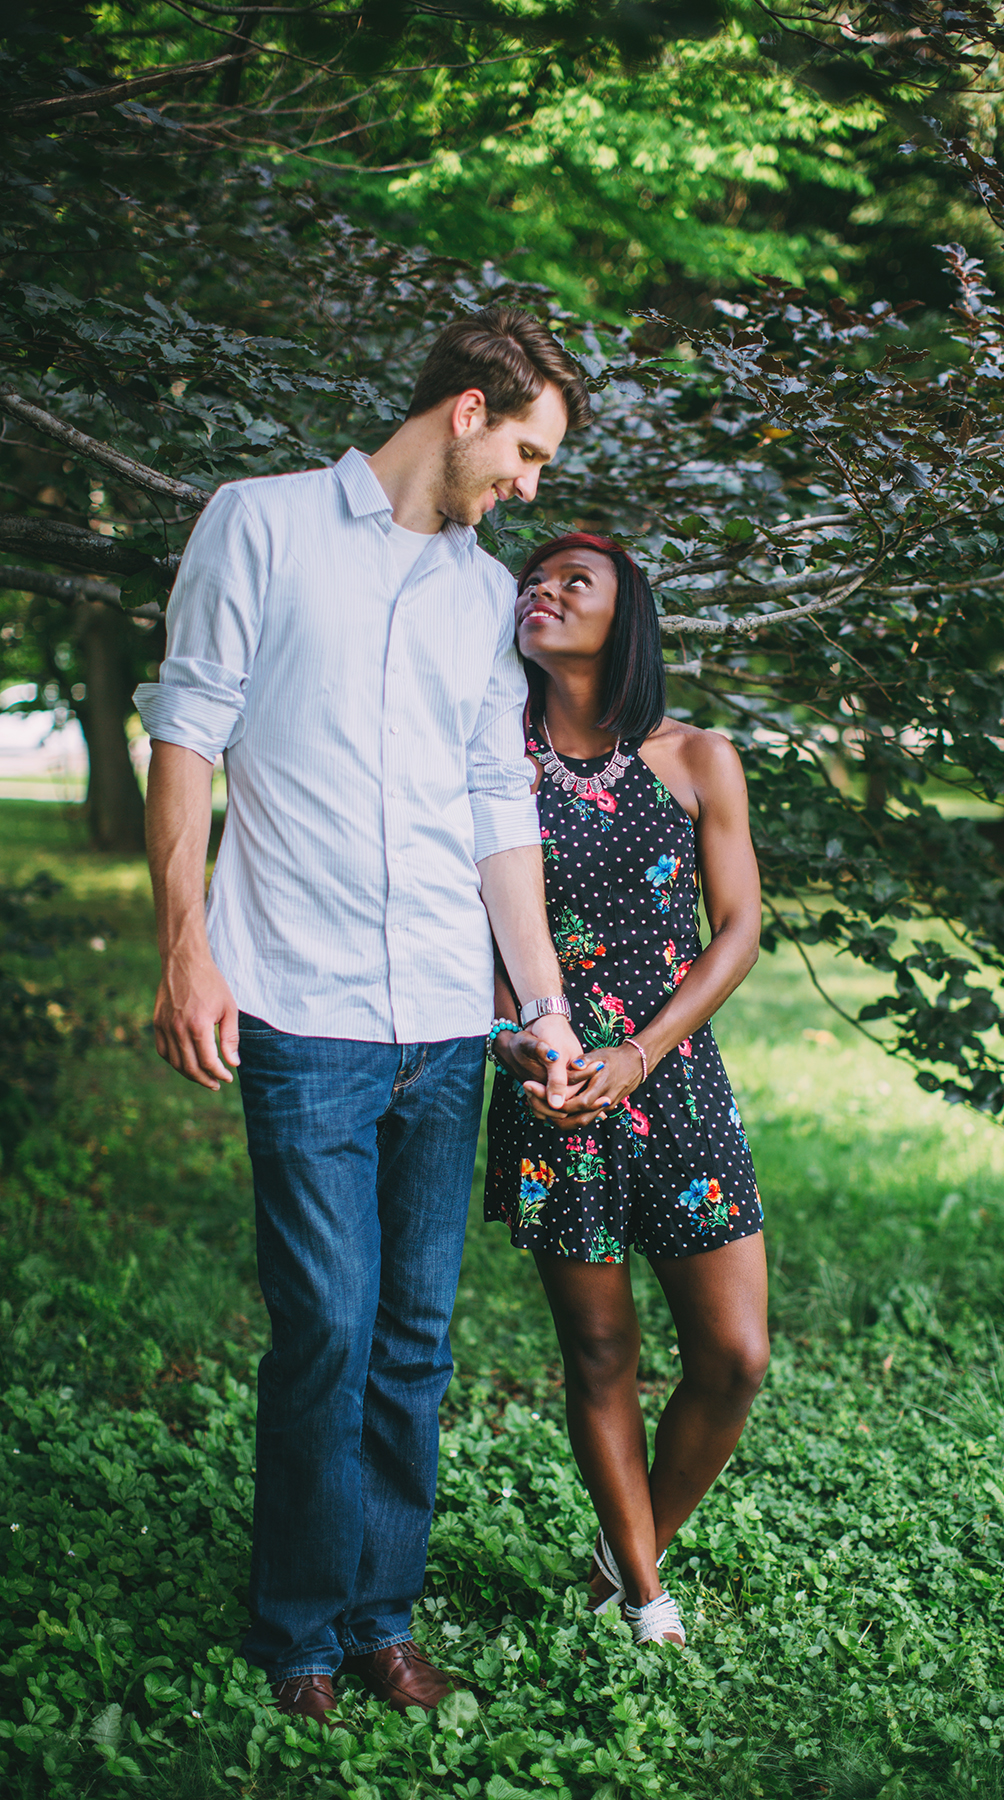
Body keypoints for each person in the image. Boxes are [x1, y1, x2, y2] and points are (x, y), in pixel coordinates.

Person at [133, 309, 598, 1727]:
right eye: (525, 452)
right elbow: (189, 731)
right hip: (302, 1006)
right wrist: (186, 953)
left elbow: (492, 804)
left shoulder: (476, 600)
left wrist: (543, 1000)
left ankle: (381, 1616)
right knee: (325, 1327)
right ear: (467, 410)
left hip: (446, 1025)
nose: (530, 485)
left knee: (413, 1336)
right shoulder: (260, 525)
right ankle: (297, 1634)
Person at [484, 533, 769, 1648]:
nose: (542, 594)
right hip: (553, 1089)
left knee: (735, 1356)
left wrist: (643, 1055)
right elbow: (488, 947)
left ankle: (620, 1545)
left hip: (679, 1080)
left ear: (627, 613)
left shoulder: (700, 756)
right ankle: (645, 1595)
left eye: (574, 582)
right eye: (533, 581)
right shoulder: (491, 762)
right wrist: (526, 1053)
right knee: (601, 1354)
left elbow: (738, 931)